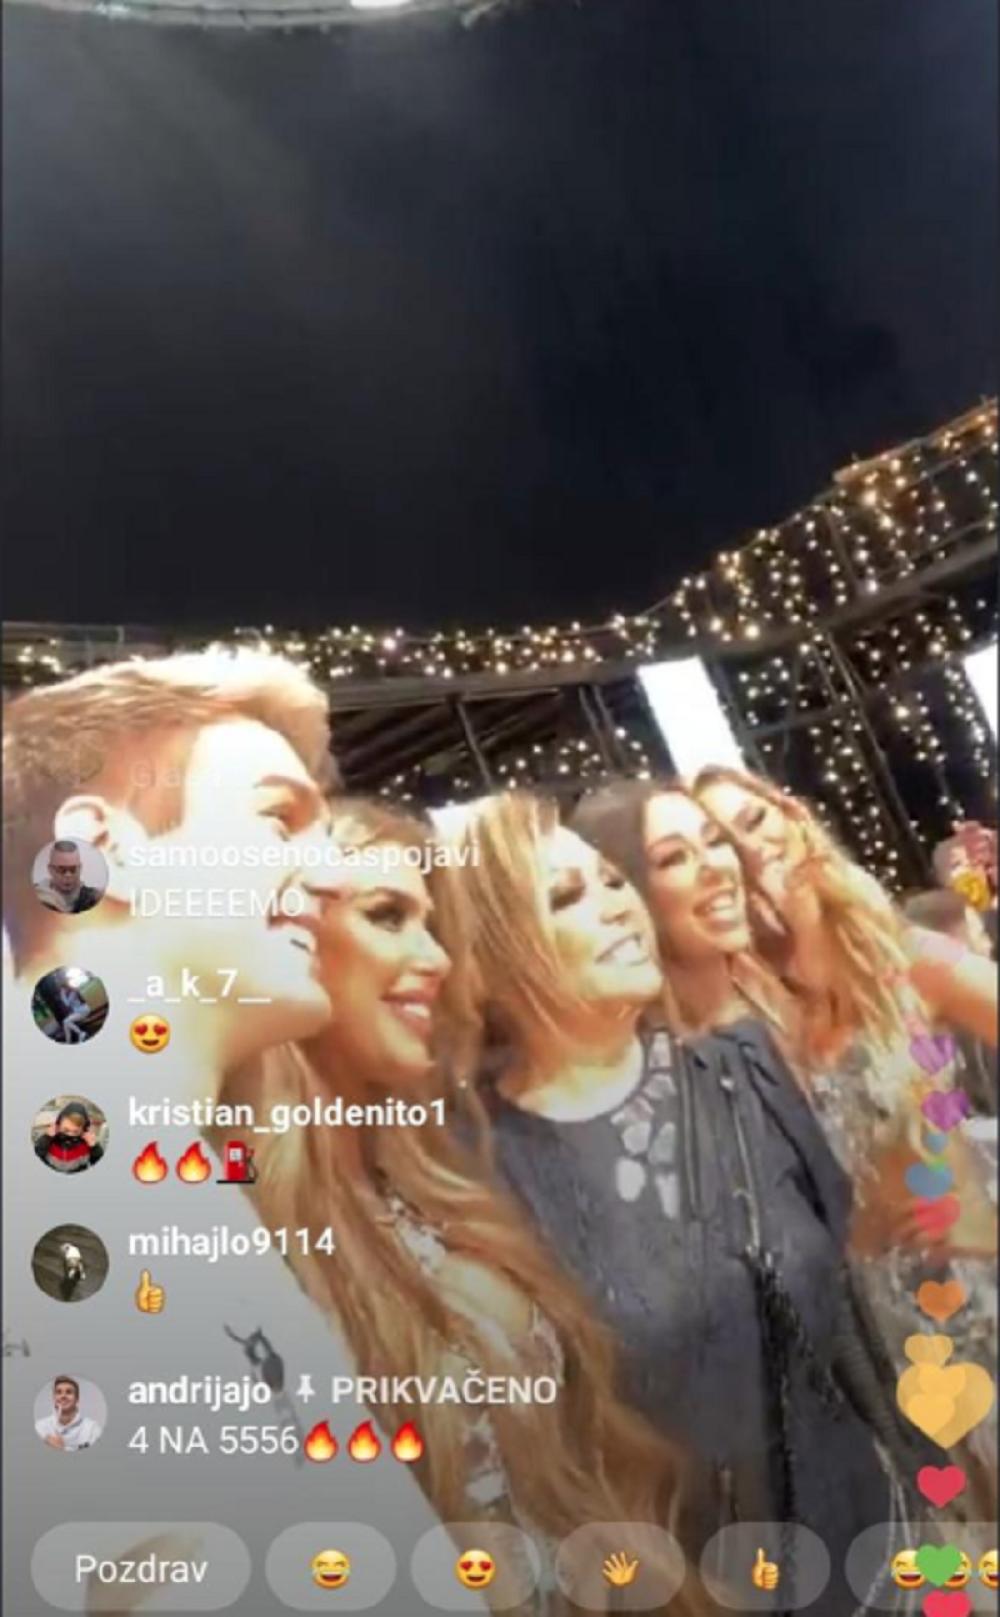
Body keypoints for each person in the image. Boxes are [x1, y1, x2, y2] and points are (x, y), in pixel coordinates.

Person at [444, 788, 922, 1616]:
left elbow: (850, 1326)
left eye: (610, 880)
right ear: (489, 952)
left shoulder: (745, 1066)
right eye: (566, 896)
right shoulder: (475, 1167)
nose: (615, 905)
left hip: (880, 1556)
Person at [220, 798, 697, 1617]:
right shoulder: (238, 1239)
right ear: (288, 938)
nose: (436, 957)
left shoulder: (434, 1177)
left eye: (434, 925)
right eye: (387, 916)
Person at [694, 765, 998, 1514]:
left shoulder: (900, 958)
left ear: (791, 816)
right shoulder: (741, 1015)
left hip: (980, 1298)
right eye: (724, 840)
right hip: (879, 1344)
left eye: (755, 820)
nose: (752, 847)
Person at [34, 840, 104, 914]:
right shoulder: (35, 896)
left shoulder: (93, 898)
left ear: (80, 868)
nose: (68, 875)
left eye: (73, 869)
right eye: (61, 869)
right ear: (50, 869)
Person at [34, 1101, 105, 1173]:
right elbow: (37, 1154)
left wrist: (94, 1147)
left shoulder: (87, 1143)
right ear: (58, 1126)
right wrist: (46, 1138)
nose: (70, 1135)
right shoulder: (50, 1139)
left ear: (83, 1130)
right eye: (66, 1130)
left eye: (76, 1132)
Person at [35, 1376, 103, 1451]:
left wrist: (63, 1448)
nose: (63, 1396)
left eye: (69, 1392)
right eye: (59, 1392)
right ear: (54, 1398)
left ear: (77, 1399)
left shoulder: (92, 1429)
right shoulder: (40, 1427)